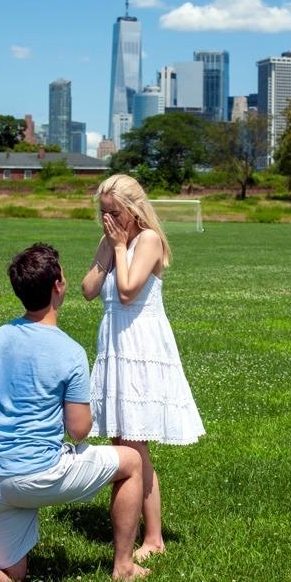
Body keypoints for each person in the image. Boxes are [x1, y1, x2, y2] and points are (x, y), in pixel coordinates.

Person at [0, 243, 148, 582]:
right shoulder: (69, 351)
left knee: (12, 575)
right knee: (131, 462)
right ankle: (124, 566)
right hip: (37, 474)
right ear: (58, 285)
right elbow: (79, 430)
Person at [82, 174, 206, 561]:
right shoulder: (110, 240)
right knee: (121, 444)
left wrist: (120, 247)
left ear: (133, 209)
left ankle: (153, 538)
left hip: (140, 347)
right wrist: (108, 248)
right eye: (103, 213)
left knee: (135, 445)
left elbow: (127, 290)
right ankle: (131, 531)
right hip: (115, 345)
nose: (108, 220)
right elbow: (88, 290)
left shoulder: (148, 240)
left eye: (114, 212)